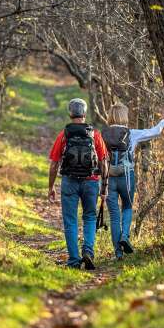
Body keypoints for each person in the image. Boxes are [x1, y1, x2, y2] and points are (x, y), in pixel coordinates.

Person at [103, 103, 164, 260]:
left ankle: (118, 253)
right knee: (127, 207)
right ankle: (125, 236)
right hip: (127, 176)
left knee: (114, 215)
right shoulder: (131, 133)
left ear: (111, 116)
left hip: (109, 177)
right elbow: (154, 132)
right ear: (124, 117)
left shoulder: (103, 134)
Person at [47, 98, 109, 270]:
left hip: (69, 182)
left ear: (70, 113)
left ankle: (74, 260)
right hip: (91, 182)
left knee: (70, 220)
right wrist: (104, 187)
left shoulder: (64, 134)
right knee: (89, 217)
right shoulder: (95, 134)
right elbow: (104, 162)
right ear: (84, 113)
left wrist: (51, 187)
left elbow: (54, 164)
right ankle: (88, 251)